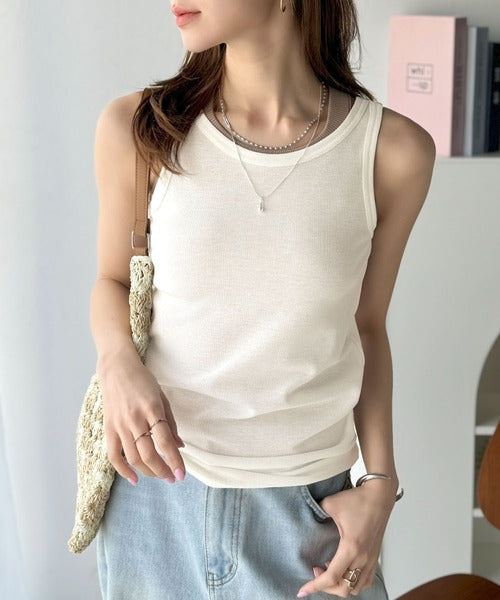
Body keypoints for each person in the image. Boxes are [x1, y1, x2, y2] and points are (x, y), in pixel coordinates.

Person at [91, 1, 436, 598]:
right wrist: (117, 361)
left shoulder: (391, 151)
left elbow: (367, 325)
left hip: (307, 517)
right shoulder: (140, 127)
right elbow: (112, 282)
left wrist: (379, 485)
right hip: (153, 503)